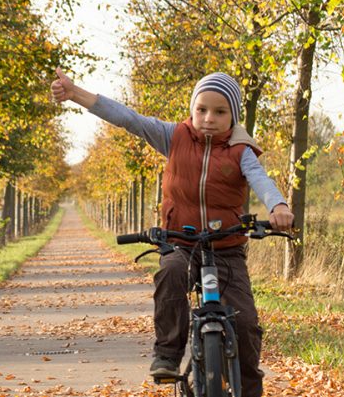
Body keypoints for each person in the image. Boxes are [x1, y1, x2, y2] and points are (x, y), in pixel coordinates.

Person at [51, 68, 293, 397]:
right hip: (181, 241)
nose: (208, 118)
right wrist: (76, 93)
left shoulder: (241, 151)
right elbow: (127, 118)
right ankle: (167, 353)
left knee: (247, 325)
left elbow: (262, 181)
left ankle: (249, 389)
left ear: (233, 116)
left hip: (227, 248)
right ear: (192, 110)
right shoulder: (173, 136)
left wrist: (278, 207)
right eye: (201, 109)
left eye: (220, 112)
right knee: (171, 271)